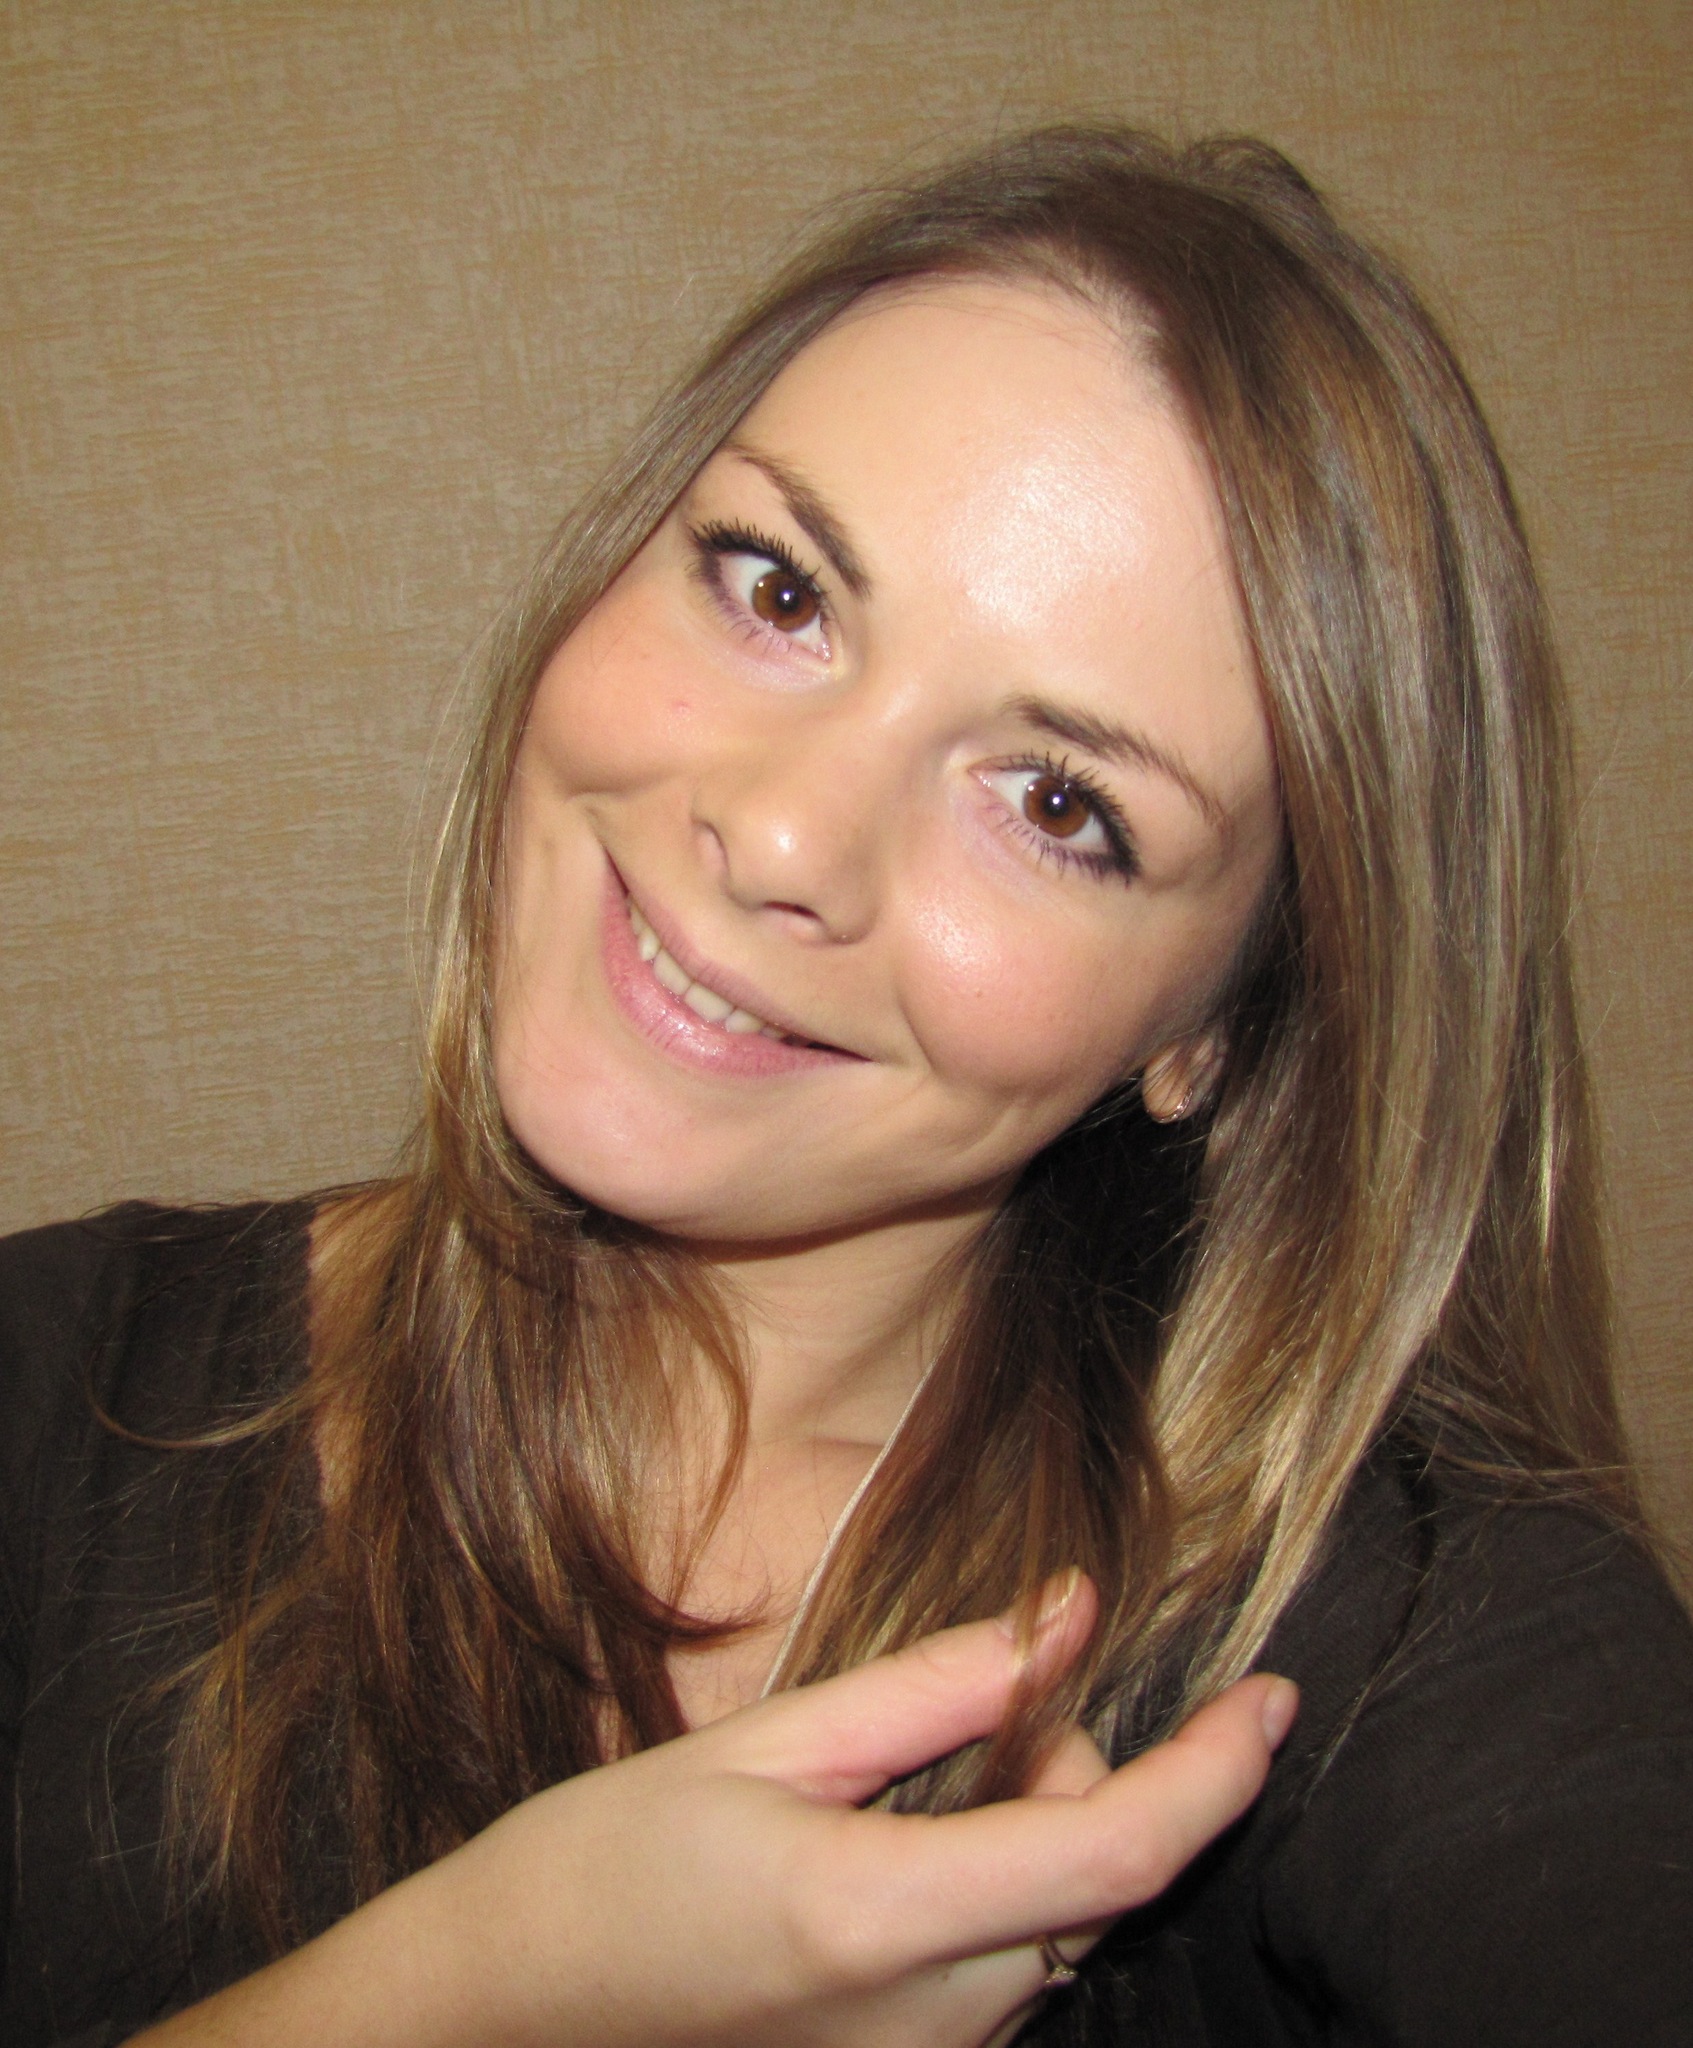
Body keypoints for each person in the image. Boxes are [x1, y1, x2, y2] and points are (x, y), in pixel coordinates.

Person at [2, 126, 1690, 2048]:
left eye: (1056, 803)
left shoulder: (1402, 1636)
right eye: (779, 589)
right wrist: (473, 1989)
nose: (785, 834)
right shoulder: (50, 1392)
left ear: (1215, 1031)